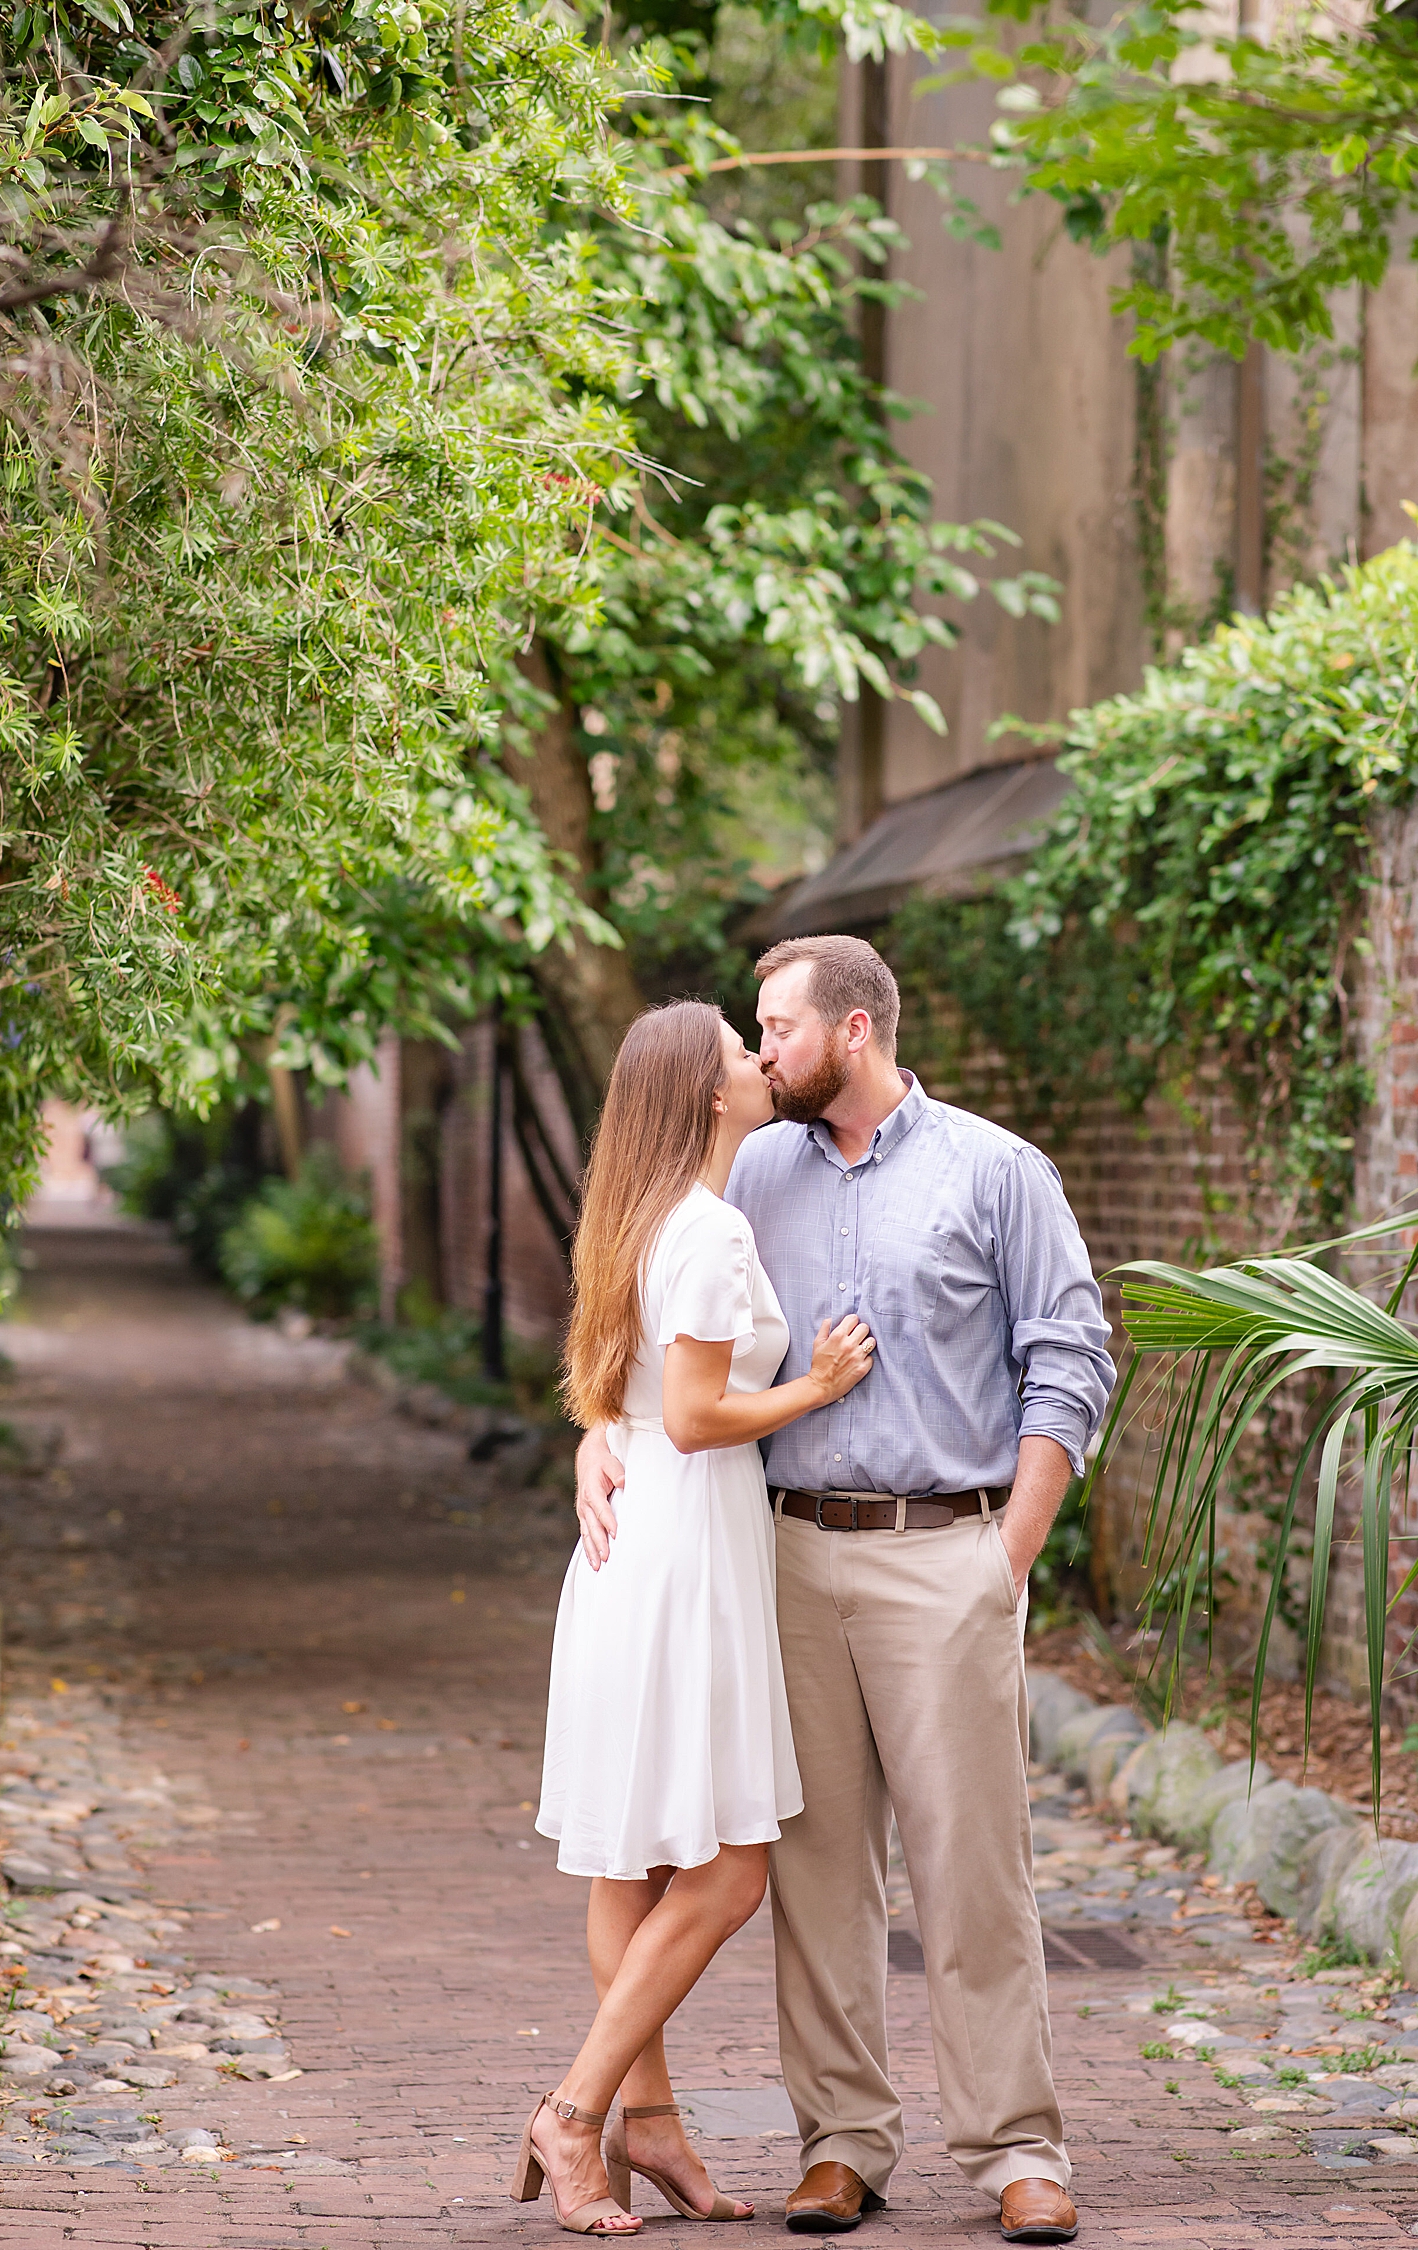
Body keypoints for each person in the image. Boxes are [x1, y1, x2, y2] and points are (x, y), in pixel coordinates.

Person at [576, 936, 1114, 2248]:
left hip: (949, 1551)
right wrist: (599, 1426)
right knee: (816, 1871)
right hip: (784, 1557)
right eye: (754, 1034)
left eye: (778, 1028)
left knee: (971, 1865)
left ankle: (1015, 2151)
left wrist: (1009, 1553)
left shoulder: (998, 1169)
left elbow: (1072, 1352)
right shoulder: (749, 1168)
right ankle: (842, 2145)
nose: (761, 1054)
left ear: (855, 1028)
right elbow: (650, 1306)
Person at [517, 999, 877, 2236]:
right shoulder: (712, 1229)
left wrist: (590, 1445)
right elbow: (693, 1414)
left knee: (639, 1860)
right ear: (707, 1093)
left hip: (633, 1559)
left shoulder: (639, 1217)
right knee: (725, 1878)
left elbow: (616, 1401)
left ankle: (652, 2125)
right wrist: (815, 1385)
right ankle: (574, 2118)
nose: (759, 1058)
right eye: (740, 1048)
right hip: (682, 1562)